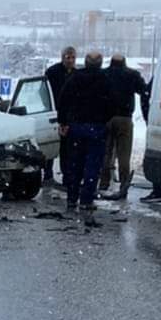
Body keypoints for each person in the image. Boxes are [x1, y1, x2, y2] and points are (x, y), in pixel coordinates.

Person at [57, 52, 113, 220]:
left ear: (85, 62)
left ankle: (72, 199)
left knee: (75, 164)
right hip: (96, 128)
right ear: (101, 63)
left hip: (76, 127)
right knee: (92, 166)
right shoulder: (105, 80)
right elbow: (114, 103)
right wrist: (104, 119)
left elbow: (63, 100)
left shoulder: (75, 78)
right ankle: (86, 199)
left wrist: (63, 122)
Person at [99, 54, 149, 200]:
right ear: (124, 62)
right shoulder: (132, 75)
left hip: (106, 119)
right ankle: (123, 185)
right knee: (124, 155)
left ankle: (103, 183)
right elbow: (144, 90)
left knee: (106, 153)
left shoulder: (103, 75)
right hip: (125, 119)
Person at [44, 46, 78, 186]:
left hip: (70, 114)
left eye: (72, 58)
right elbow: (45, 91)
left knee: (67, 148)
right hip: (53, 112)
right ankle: (47, 173)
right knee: (50, 143)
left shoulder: (77, 74)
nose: (70, 60)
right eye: (67, 57)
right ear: (62, 57)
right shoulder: (53, 72)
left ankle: (67, 175)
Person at [140, 77, 161, 203]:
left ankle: (157, 189)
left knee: (157, 153)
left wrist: (147, 117)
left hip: (158, 119)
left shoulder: (160, 78)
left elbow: (145, 96)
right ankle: (160, 189)